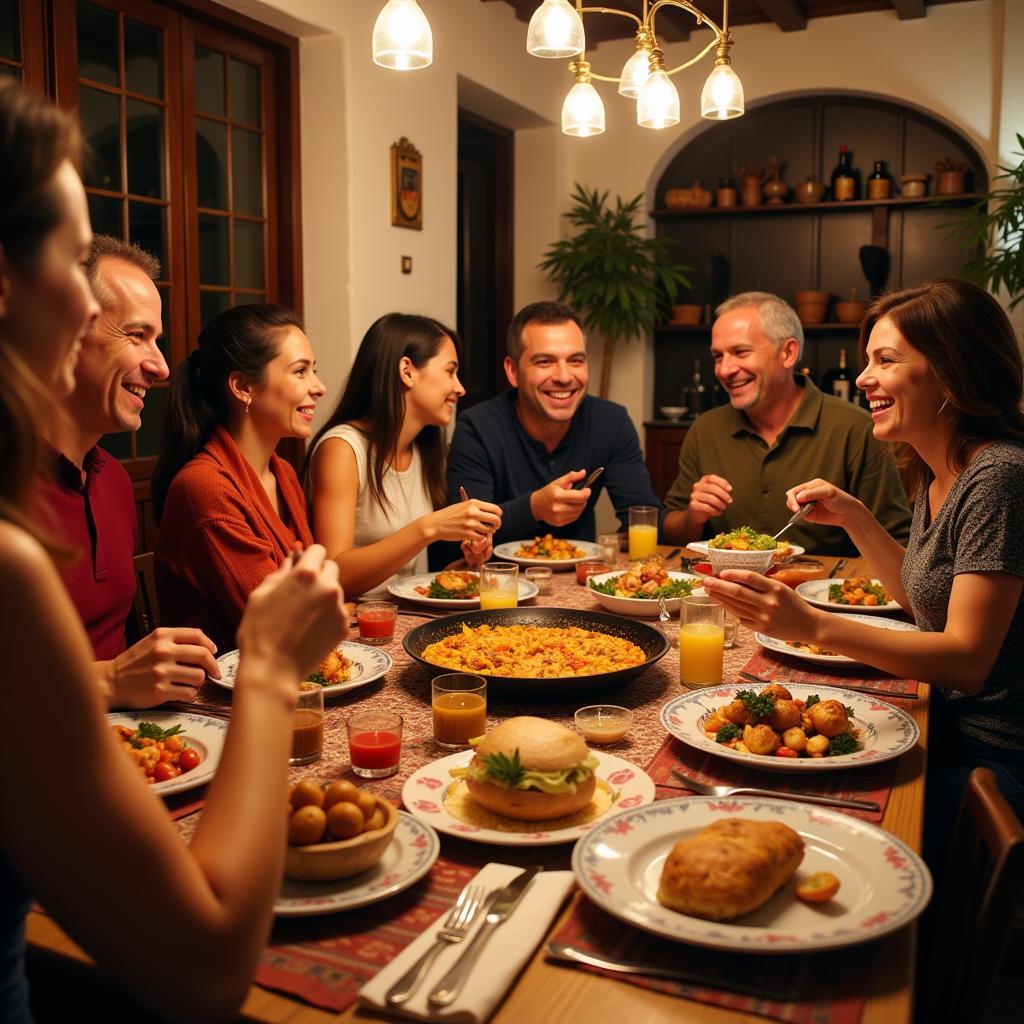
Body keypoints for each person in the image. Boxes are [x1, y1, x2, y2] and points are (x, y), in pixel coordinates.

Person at [0, 79, 347, 1021]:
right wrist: (271, 663)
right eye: (75, 264)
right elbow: (201, 976)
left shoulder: (118, 479)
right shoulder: (12, 554)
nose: (162, 362)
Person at [701, 278, 1024, 839]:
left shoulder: (999, 476)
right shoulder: (940, 467)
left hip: (990, 759)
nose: (863, 378)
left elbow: (966, 660)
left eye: (886, 360)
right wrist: (855, 517)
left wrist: (813, 624)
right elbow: (920, 595)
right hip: (947, 726)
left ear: (951, 369)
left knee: (801, 818)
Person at [39, 234, 221, 708]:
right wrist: (110, 681)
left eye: (156, 340)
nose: (161, 367)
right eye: (137, 335)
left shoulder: (114, 482)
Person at [661, 292, 911, 555]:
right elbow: (673, 535)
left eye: (740, 352)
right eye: (718, 356)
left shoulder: (856, 428)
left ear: (788, 353)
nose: (724, 370)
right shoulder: (705, 429)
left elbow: (898, 545)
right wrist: (693, 515)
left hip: (819, 592)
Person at [152, 304, 327, 654]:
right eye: (300, 372)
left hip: (290, 671)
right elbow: (283, 625)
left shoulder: (283, 473)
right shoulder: (206, 488)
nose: (319, 387)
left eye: (314, 371)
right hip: (217, 694)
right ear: (243, 386)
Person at [435, 301, 662, 564]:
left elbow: (643, 516)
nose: (564, 376)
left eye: (576, 360)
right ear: (512, 371)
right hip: (500, 587)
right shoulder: (478, 426)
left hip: (582, 585)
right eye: (545, 362)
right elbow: (463, 537)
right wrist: (533, 508)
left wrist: (691, 516)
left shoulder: (611, 421)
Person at [304, 313, 501, 599]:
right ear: (407, 371)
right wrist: (428, 528)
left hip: (404, 617)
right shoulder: (342, 449)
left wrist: (467, 563)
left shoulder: (421, 450)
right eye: (450, 371)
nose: (460, 388)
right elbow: (333, 575)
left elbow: (406, 581)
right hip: (351, 629)